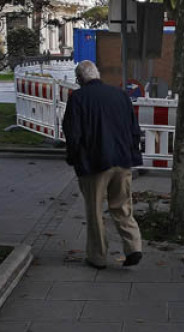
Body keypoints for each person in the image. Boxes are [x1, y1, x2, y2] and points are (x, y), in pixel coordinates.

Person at [62, 60, 143, 269]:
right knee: (122, 205)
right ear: (97, 74)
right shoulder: (120, 96)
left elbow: (73, 134)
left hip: (94, 164)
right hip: (122, 160)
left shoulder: (78, 98)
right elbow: (134, 129)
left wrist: (74, 159)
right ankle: (133, 246)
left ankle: (97, 257)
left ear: (79, 79)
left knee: (95, 211)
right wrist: (132, 154)